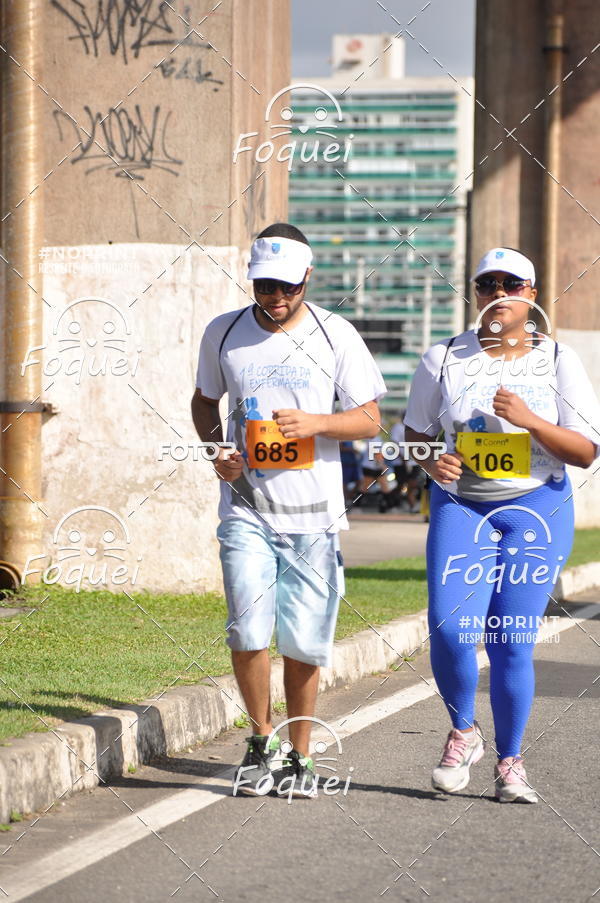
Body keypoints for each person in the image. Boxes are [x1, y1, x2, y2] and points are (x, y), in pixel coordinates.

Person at [191, 223, 386, 797]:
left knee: (303, 641)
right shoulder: (223, 333)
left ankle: (299, 755)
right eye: (263, 287)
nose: (275, 298)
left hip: (314, 515)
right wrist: (218, 453)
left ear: (307, 278)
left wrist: (319, 424)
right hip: (247, 508)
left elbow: (370, 418)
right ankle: (260, 742)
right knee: (248, 628)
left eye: (286, 287)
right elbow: (205, 401)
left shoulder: (336, 334)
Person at [403, 247, 600, 803]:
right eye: (486, 283)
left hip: (536, 509)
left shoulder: (559, 360)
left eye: (510, 284)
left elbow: (585, 452)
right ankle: (463, 732)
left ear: (531, 296)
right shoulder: (442, 358)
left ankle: (510, 761)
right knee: (448, 626)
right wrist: (428, 460)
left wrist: (530, 419)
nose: (497, 293)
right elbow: (414, 432)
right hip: (462, 504)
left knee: (510, 639)